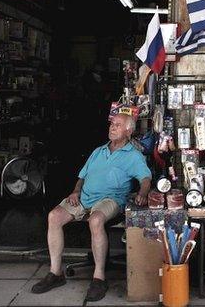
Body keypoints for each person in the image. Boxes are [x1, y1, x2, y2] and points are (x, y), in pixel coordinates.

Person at [32, 113, 152, 302]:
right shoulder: (98, 151)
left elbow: (145, 178)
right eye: (112, 124)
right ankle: (55, 273)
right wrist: (75, 191)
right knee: (54, 216)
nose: (112, 127)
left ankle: (99, 278)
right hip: (85, 198)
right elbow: (82, 176)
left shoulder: (134, 156)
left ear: (129, 131)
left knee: (96, 220)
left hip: (110, 199)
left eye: (118, 125)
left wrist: (143, 193)